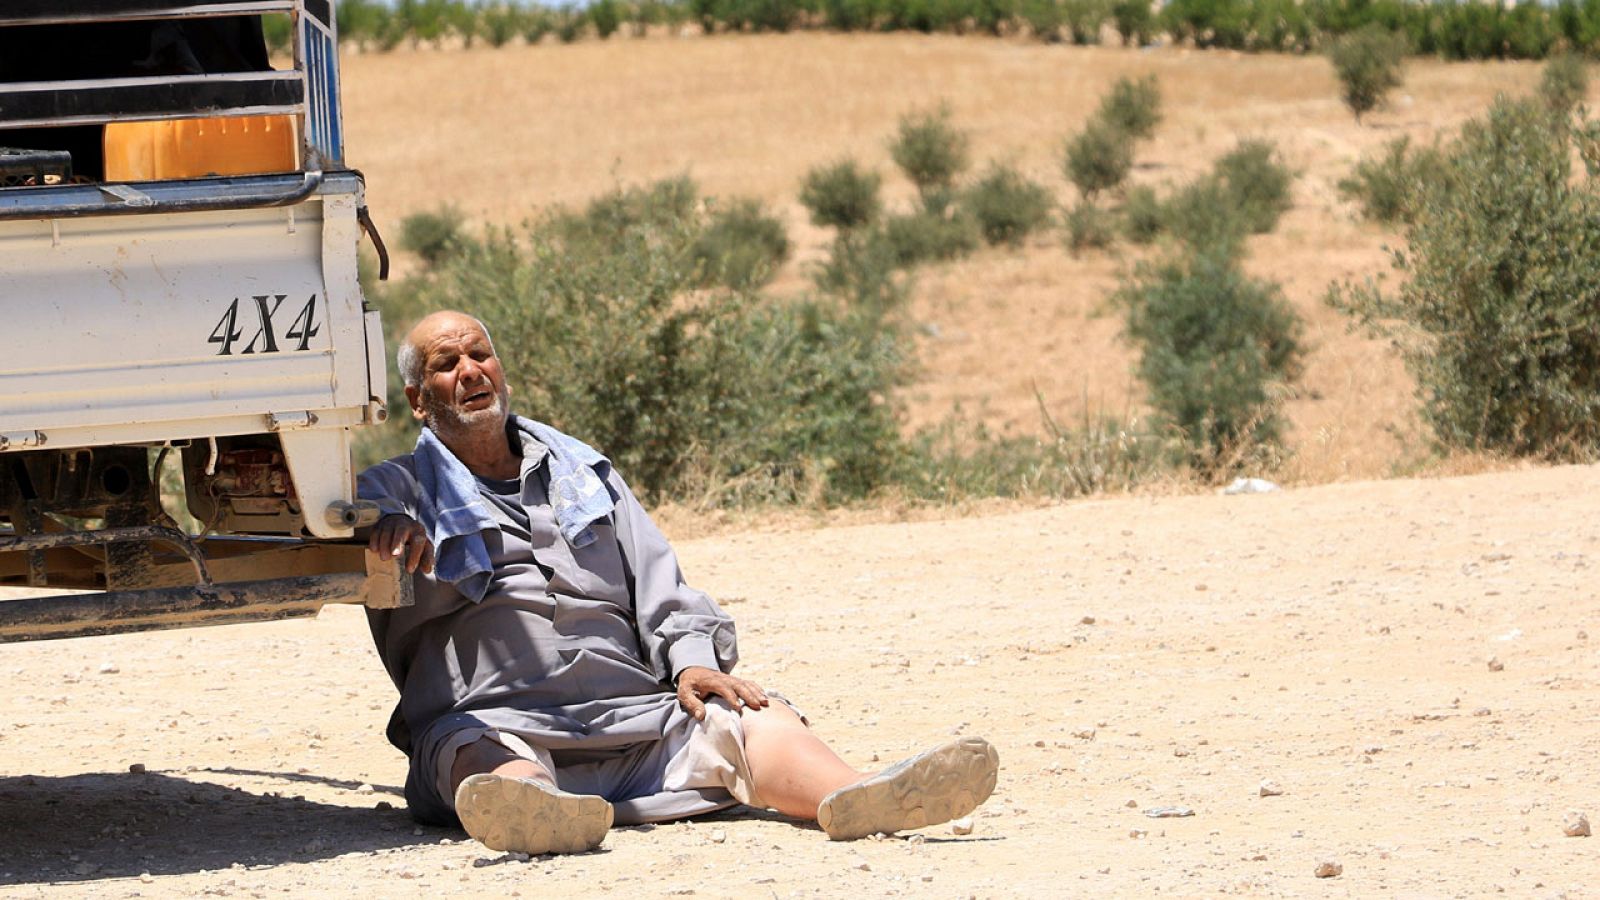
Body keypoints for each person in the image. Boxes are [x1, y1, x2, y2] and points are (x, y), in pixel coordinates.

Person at [357, 310, 998, 855]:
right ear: (419, 399)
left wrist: (691, 661)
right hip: (497, 721)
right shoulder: (396, 489)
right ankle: (540, 814)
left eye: (481, 354)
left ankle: (857, 796)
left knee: (748, 718)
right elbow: (342, 522)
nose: (470, 371)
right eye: (447, 364)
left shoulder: (585, 474)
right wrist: (382, 529)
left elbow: (663, 587)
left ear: (501, 370)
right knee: (482, 762)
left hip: (636, 717)